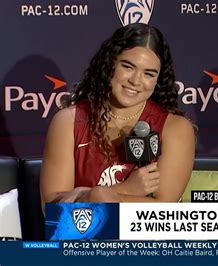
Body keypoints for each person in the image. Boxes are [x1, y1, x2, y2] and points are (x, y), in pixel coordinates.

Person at [40, 23, 195, 204]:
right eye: (128, 67)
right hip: (83, 232)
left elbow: (163, 213)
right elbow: (52, 210)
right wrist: (123, 190)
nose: (136, 81)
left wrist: (88, 195)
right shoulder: (68, 122)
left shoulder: (175, 127)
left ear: (158, 80)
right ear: (109, 63)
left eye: (149, 74)